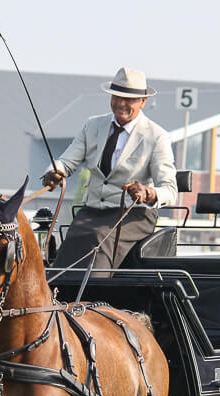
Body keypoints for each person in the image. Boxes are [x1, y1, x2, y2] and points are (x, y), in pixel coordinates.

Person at [41, 67, 177, 271]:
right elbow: (67, 161)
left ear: (143, 102)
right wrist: (54, 172)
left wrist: (148, 193)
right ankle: (60, 296)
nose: (121, 103)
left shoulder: (157, 137)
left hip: (133, 215)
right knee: (69, 246)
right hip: (91, 212)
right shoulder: (92, 126)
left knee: (98, 239)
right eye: (117, 96)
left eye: (129, 99)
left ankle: (92, 297)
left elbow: (170, 189)